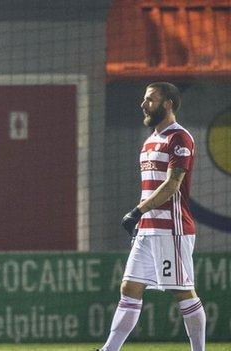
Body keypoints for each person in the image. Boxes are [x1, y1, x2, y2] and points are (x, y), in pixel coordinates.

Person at [99, 82, 205, 351]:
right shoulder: (149, 143)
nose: (143, 104)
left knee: (182, 291)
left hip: (172, 229)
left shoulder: (179, 138)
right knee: (129, 288)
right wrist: (142, 219)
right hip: (147, 230)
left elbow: (172, 185)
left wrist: (137, 211)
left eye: (150, 99)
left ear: (167, 103)